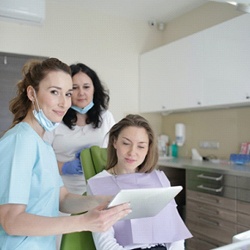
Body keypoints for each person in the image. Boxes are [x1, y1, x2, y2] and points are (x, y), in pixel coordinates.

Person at [0, 58, 131, 250]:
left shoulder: (42, 144)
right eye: (54, 92)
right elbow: (11, 221)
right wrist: (84, 222)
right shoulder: (20, 141)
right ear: (31, 93)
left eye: (67, 94)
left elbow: (62, 199)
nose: (64, 103)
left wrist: (104, 200)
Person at [87, 114, 192, 250]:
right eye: (126, 143)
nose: (132, 152)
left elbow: (175, 235)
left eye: (141, 146)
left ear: (148, 149)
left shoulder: (159, 179)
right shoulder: (98, 184)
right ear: (114, 142)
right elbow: (105, 245)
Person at [44, 63, 115, 195]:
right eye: (74, 88)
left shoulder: (106, 118)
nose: (81, 93)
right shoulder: (54, 119)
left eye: (86, 87)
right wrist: (64, 167)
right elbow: (40, 160)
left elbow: (115, 152)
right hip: (61, 192)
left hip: (99, 191)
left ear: (94, 89)